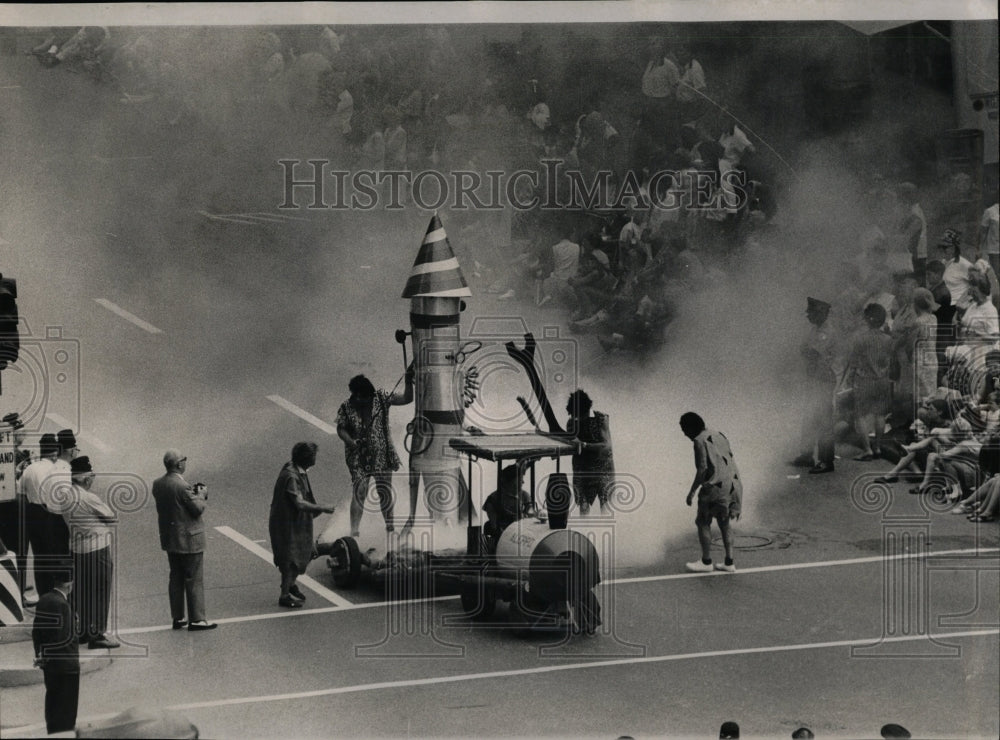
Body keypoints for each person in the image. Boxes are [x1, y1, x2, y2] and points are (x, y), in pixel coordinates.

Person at [336, 374, 411, 536]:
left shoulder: (382, 398)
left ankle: (390, 528)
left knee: (384, 491)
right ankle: (354, 532)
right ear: (355, 395)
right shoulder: (346, 407)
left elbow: (407, 398)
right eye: (359, 398)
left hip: (382, 454)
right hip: (358, 456)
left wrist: (408, 381)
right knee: (360, 490)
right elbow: (340, 428)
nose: (363, 401)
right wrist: (350, 441)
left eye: (366, 398)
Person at [152, 451, 216, 631]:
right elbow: (196, 509)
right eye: (184, 460)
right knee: (194, 578)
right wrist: (201, 495)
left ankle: (177, 617)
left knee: (176, 577)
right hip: (189, 538)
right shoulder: (182, 486)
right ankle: (196, 619)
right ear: (179, 464)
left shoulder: (158, 484)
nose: (185, 462)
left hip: (170, 538)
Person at [269, 442, 335, 608]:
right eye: (313, 456)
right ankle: (285, 594)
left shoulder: (296, 470)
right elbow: (298, 503)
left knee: (304, 552)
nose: (315, 459)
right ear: (307, 458)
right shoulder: (292, 476)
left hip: (297, 522)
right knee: (289, 559)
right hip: (287, 524)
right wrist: (323, 508)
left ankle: (290, 585)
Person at [64, 456, 119, 649]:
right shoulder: (89, 498)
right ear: (85, 479)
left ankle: (85, 630)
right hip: (97, 548)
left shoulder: (65, 496)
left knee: (83, 591)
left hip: (77, 549)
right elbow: (111, 518)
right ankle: (97, 633)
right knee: (100, 590)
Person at [680, 412, 742, 573]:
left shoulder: (699, 441)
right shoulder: (718, 434)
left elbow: (702, 469)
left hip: (715, 486)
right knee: (724, 522)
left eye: (684, 429)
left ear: (691, 427)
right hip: (733, 484)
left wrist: (692, 492)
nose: (684, 434)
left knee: (703, 521)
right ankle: (729, 562)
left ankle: (706, 561)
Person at [792, 297, 839, 474]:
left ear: (821, 313)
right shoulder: (815, 329)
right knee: (809, 415)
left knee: (824, 419)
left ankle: (826, 460)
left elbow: (811, 352)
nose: (808, 316)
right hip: (814, 378)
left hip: (823, 379)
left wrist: (806, 351)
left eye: (811, 313)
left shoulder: (826, 332)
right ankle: (806, 455)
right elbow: (803, 349)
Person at [31, 566, 79, 734]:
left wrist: (41, 655)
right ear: (69, 584)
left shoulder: (44, 600)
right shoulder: (63, 605)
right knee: (67, 713)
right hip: (67, 667)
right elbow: (62, 638)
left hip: (50, 667)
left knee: (52, 705)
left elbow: (36, 632)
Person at [845, 303, 894, 461]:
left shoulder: (860, 339)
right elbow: (890, 361)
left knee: (860, 415)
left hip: (865, 380)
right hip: (883, 380)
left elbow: (853, 362)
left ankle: (867, 449)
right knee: (879, 414)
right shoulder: (888, 339)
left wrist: (849, 378)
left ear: (868, 319)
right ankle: (878, 447)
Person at [19, 434, 59, 601]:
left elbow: (21, 494)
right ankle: (55, 594)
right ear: (55, 452)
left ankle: (43, 595)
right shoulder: (56, 470)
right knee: (54, 554)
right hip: (51, 512)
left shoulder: (30, 469)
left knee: (39, 556)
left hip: (33, 513)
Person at [567, 389, 615, 515]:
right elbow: (571, 439)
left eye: (581, 414)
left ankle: (609, 532)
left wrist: (584, 445)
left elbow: (607, 446)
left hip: (603, 468)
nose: (579, 418)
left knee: (606, 506)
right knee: (583, 506)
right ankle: (584, 532)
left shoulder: (600, 419)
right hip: (582, 469)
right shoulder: (572, 423)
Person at [0, 413, 31, 603]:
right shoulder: (13, 455)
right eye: (21, 430)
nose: (24, 433)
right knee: (19, 553)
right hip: (15, 511)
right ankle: (18, 595)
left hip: (7, 511)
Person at [911, 287, 940, 400]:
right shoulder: (933, 318)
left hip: (920, 360)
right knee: (931, 392)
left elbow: (911, 343)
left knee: (920, 394)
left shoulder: (918, 322)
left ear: (915, 304)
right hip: (932, 359)